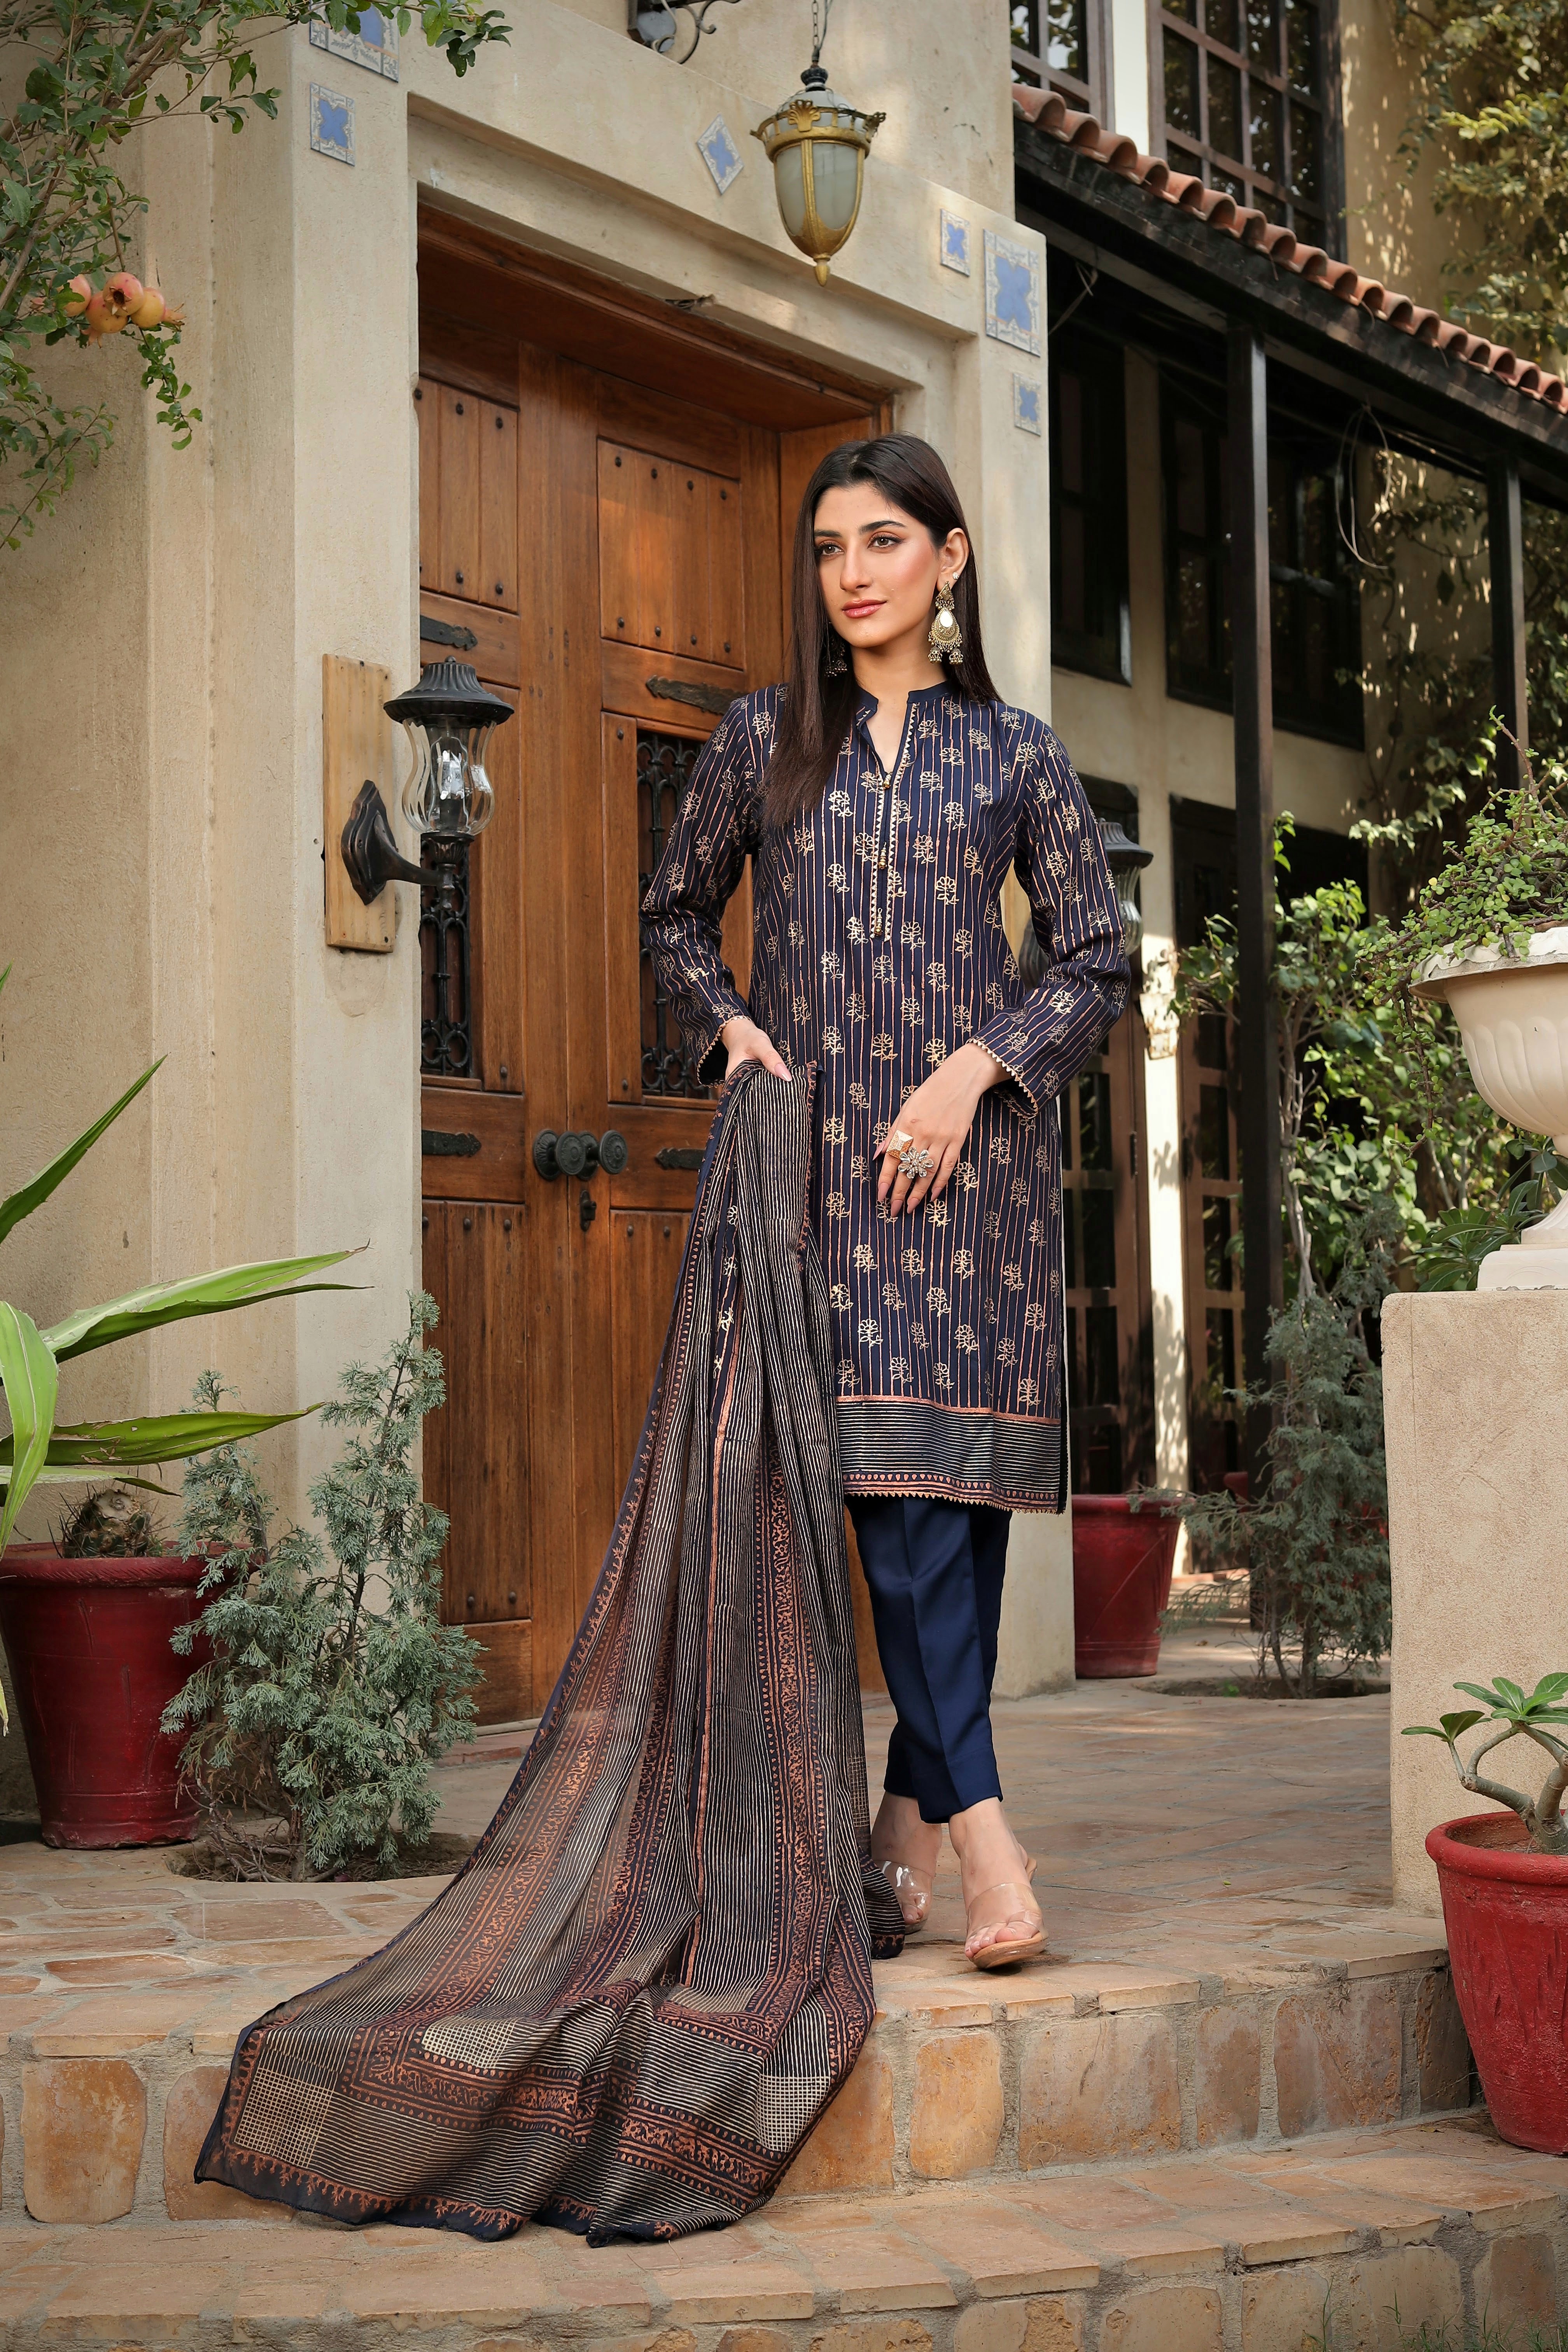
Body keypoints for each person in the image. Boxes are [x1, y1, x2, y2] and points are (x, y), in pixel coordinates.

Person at [641, 434, 1128, 1970]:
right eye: (830, 548)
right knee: (899, 1511)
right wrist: (726, 1027)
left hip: (972, 1182)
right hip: (819, 1185)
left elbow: (1098, 955)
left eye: (885, 543)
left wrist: (979, 1067)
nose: (853, 573)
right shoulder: (766, 736)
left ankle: (898, 1832)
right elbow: (673, 913)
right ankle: (992, 1841)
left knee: (961, 1516)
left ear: (950, 559)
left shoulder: (1019, 756)